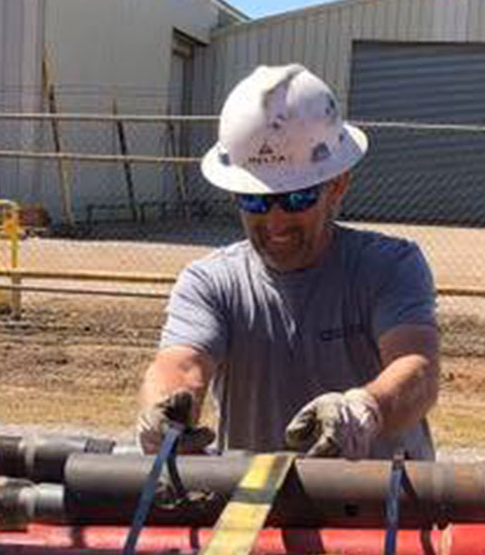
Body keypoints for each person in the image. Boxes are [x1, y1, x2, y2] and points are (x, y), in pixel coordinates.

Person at [137, 62, 440, 460]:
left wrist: (364, 409)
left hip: (375, 502)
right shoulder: (210, 283)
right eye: (255, 200)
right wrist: (165, 407)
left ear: (338, 185)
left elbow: (417, 368)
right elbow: (182, 364)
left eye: (297, 198)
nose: (275, 220)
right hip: (255, 506)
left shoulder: (389, 267)